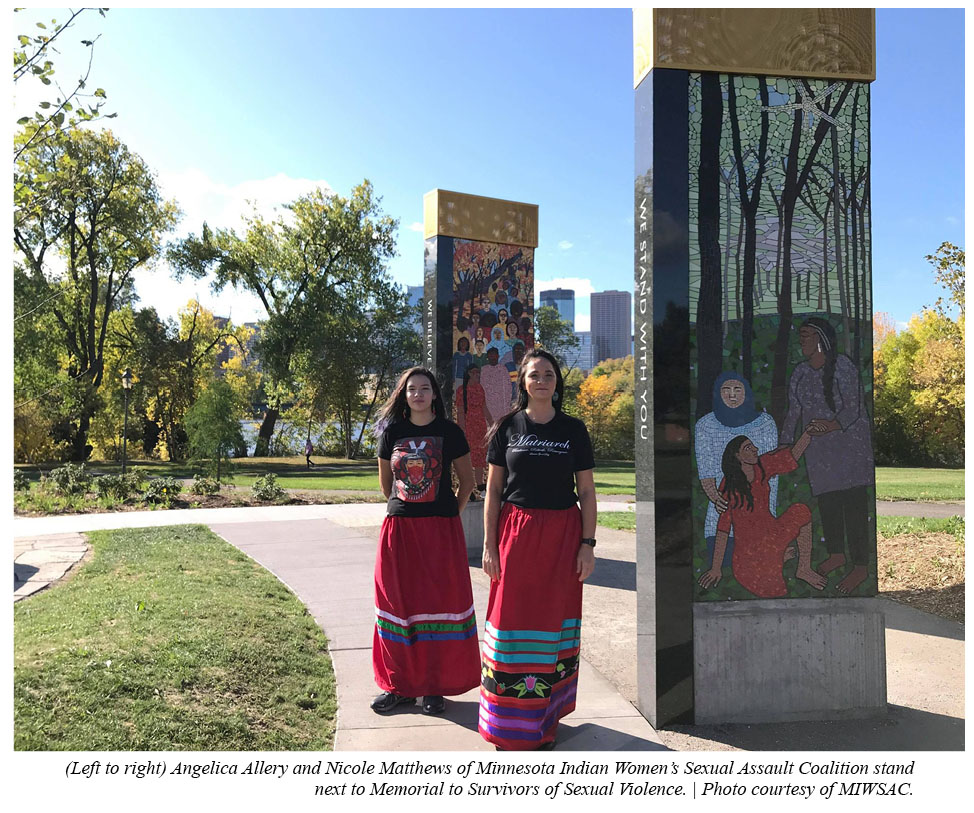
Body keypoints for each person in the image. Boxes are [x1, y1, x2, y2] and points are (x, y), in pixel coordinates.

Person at [478, 349, 597, 751]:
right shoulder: (506, 426)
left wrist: (587, 545)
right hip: (516, 534)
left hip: (563, 536)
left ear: (557, 382)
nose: (542, 380)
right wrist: (489, 545)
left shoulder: (573, 430)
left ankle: (544, 721)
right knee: (509, 625)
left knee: (552, 628)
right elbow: (494, 491)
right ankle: (503, 723)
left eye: (549, 374)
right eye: (534, 374)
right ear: (523, 382)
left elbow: (587, 492)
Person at [371, 367, 480, 715]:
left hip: (440, 532)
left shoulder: (450, 432)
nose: (418, 394)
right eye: (411, 389)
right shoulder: (392, 433)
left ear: (435, 394)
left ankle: (434, 687)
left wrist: (449, 513)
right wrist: (407, 508)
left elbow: (467, 483)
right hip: (400, 531)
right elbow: (386, 485)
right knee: (398, 607)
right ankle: (399, 685)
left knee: (438, 608)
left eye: (424, 388)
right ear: (403, 396)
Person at [781, 317, 876, 594]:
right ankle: (837, 554)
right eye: (800, 336)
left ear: (821, 339)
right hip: (820, 450)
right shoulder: (800, 373)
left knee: (853, 503)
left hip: (850, 445)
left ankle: (860, 565)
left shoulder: (843, 367)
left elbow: (854, 408)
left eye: (807, 336)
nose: (802, 341)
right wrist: (785, 444)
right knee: (828, 500)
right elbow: (793, 412)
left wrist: (830, 425)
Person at [699, 434, 827, 598]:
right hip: (750, 550)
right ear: (737, 456)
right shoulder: (728, 486)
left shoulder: (762, 466)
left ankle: (803, 568)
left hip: (772, 532)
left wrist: (807, 434)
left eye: (753, 446)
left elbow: (792, 455)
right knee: (771, 588)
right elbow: (723, 529)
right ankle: (777, 557)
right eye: (748, 448)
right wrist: (716, 567)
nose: (755, 450)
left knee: (801, 511)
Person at [694, 372, 778, 568]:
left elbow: (769, 471)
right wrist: (717, 499)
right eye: (726, 390)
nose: (732, 395)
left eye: (737, 390)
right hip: (724, 502)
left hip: (759, 500)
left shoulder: (765, 424)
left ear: (746, 393)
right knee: (724, 557)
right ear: (718, 394)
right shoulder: (706, 426)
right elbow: (706, 471)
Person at [456, 365, 492, 497]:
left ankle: (480, 484)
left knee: (480, 456)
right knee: (468, 457)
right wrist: (462, 429)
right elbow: (460, 411)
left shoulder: (480, 389)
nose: (477, 375)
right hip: (468, 426)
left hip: (480, 426)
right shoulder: (461, 390)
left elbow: (484, 407)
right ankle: (467, 486)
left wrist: (493, 424)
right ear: (469, 374)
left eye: (478, 373)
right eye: (475, 373)